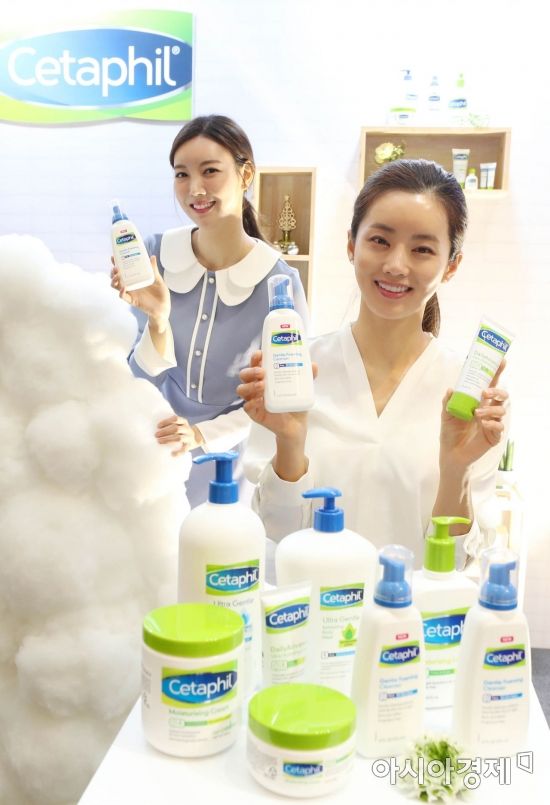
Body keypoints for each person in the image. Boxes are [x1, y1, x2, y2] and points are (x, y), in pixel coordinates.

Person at [237, 159, 508, 569]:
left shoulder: (467, 395)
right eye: (380, 240)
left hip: (413, 609)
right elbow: (277, 538)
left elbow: (455, 567)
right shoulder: (296, 372)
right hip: (311, 605)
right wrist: (290, 442)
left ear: (451, 265)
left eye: (422, 249)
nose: (396, 265)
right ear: (352, 245)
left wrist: (456, 469)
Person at [111, 115, 308, 507]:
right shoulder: (153, 256)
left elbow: (284, 398)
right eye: (181, 174)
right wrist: (158, 319)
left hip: (227, 467)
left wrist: (201, 435)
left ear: (246, 174)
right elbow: (129, 377)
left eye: (210, 171)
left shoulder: (278, 282)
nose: (195, 189)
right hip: (150, 450)